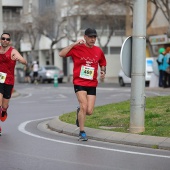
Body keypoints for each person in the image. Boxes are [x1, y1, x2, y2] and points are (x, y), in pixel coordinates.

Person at [59, 28, 107, 141]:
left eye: (94, 37)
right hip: (79, 82)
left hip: (92, 83)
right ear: (85, 37)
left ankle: (79, 112)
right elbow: (61, 54)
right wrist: (74, 44)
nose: (93, 39)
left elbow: (102, 62)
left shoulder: (98, 51)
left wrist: (103, 71)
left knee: (89, 111)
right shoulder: (77, 48)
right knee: (84, 106)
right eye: (90, 37)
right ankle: (82, 132)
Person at [0, 32, 27, 135]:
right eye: (3, 38)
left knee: (4, 105)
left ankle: (4, 111)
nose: (5, 40)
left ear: (9, 41)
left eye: (7, 39)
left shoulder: (13, 51)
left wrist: (19, 59)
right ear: (0, 40)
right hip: (0, 80)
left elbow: (24, 61)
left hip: (9, 80)